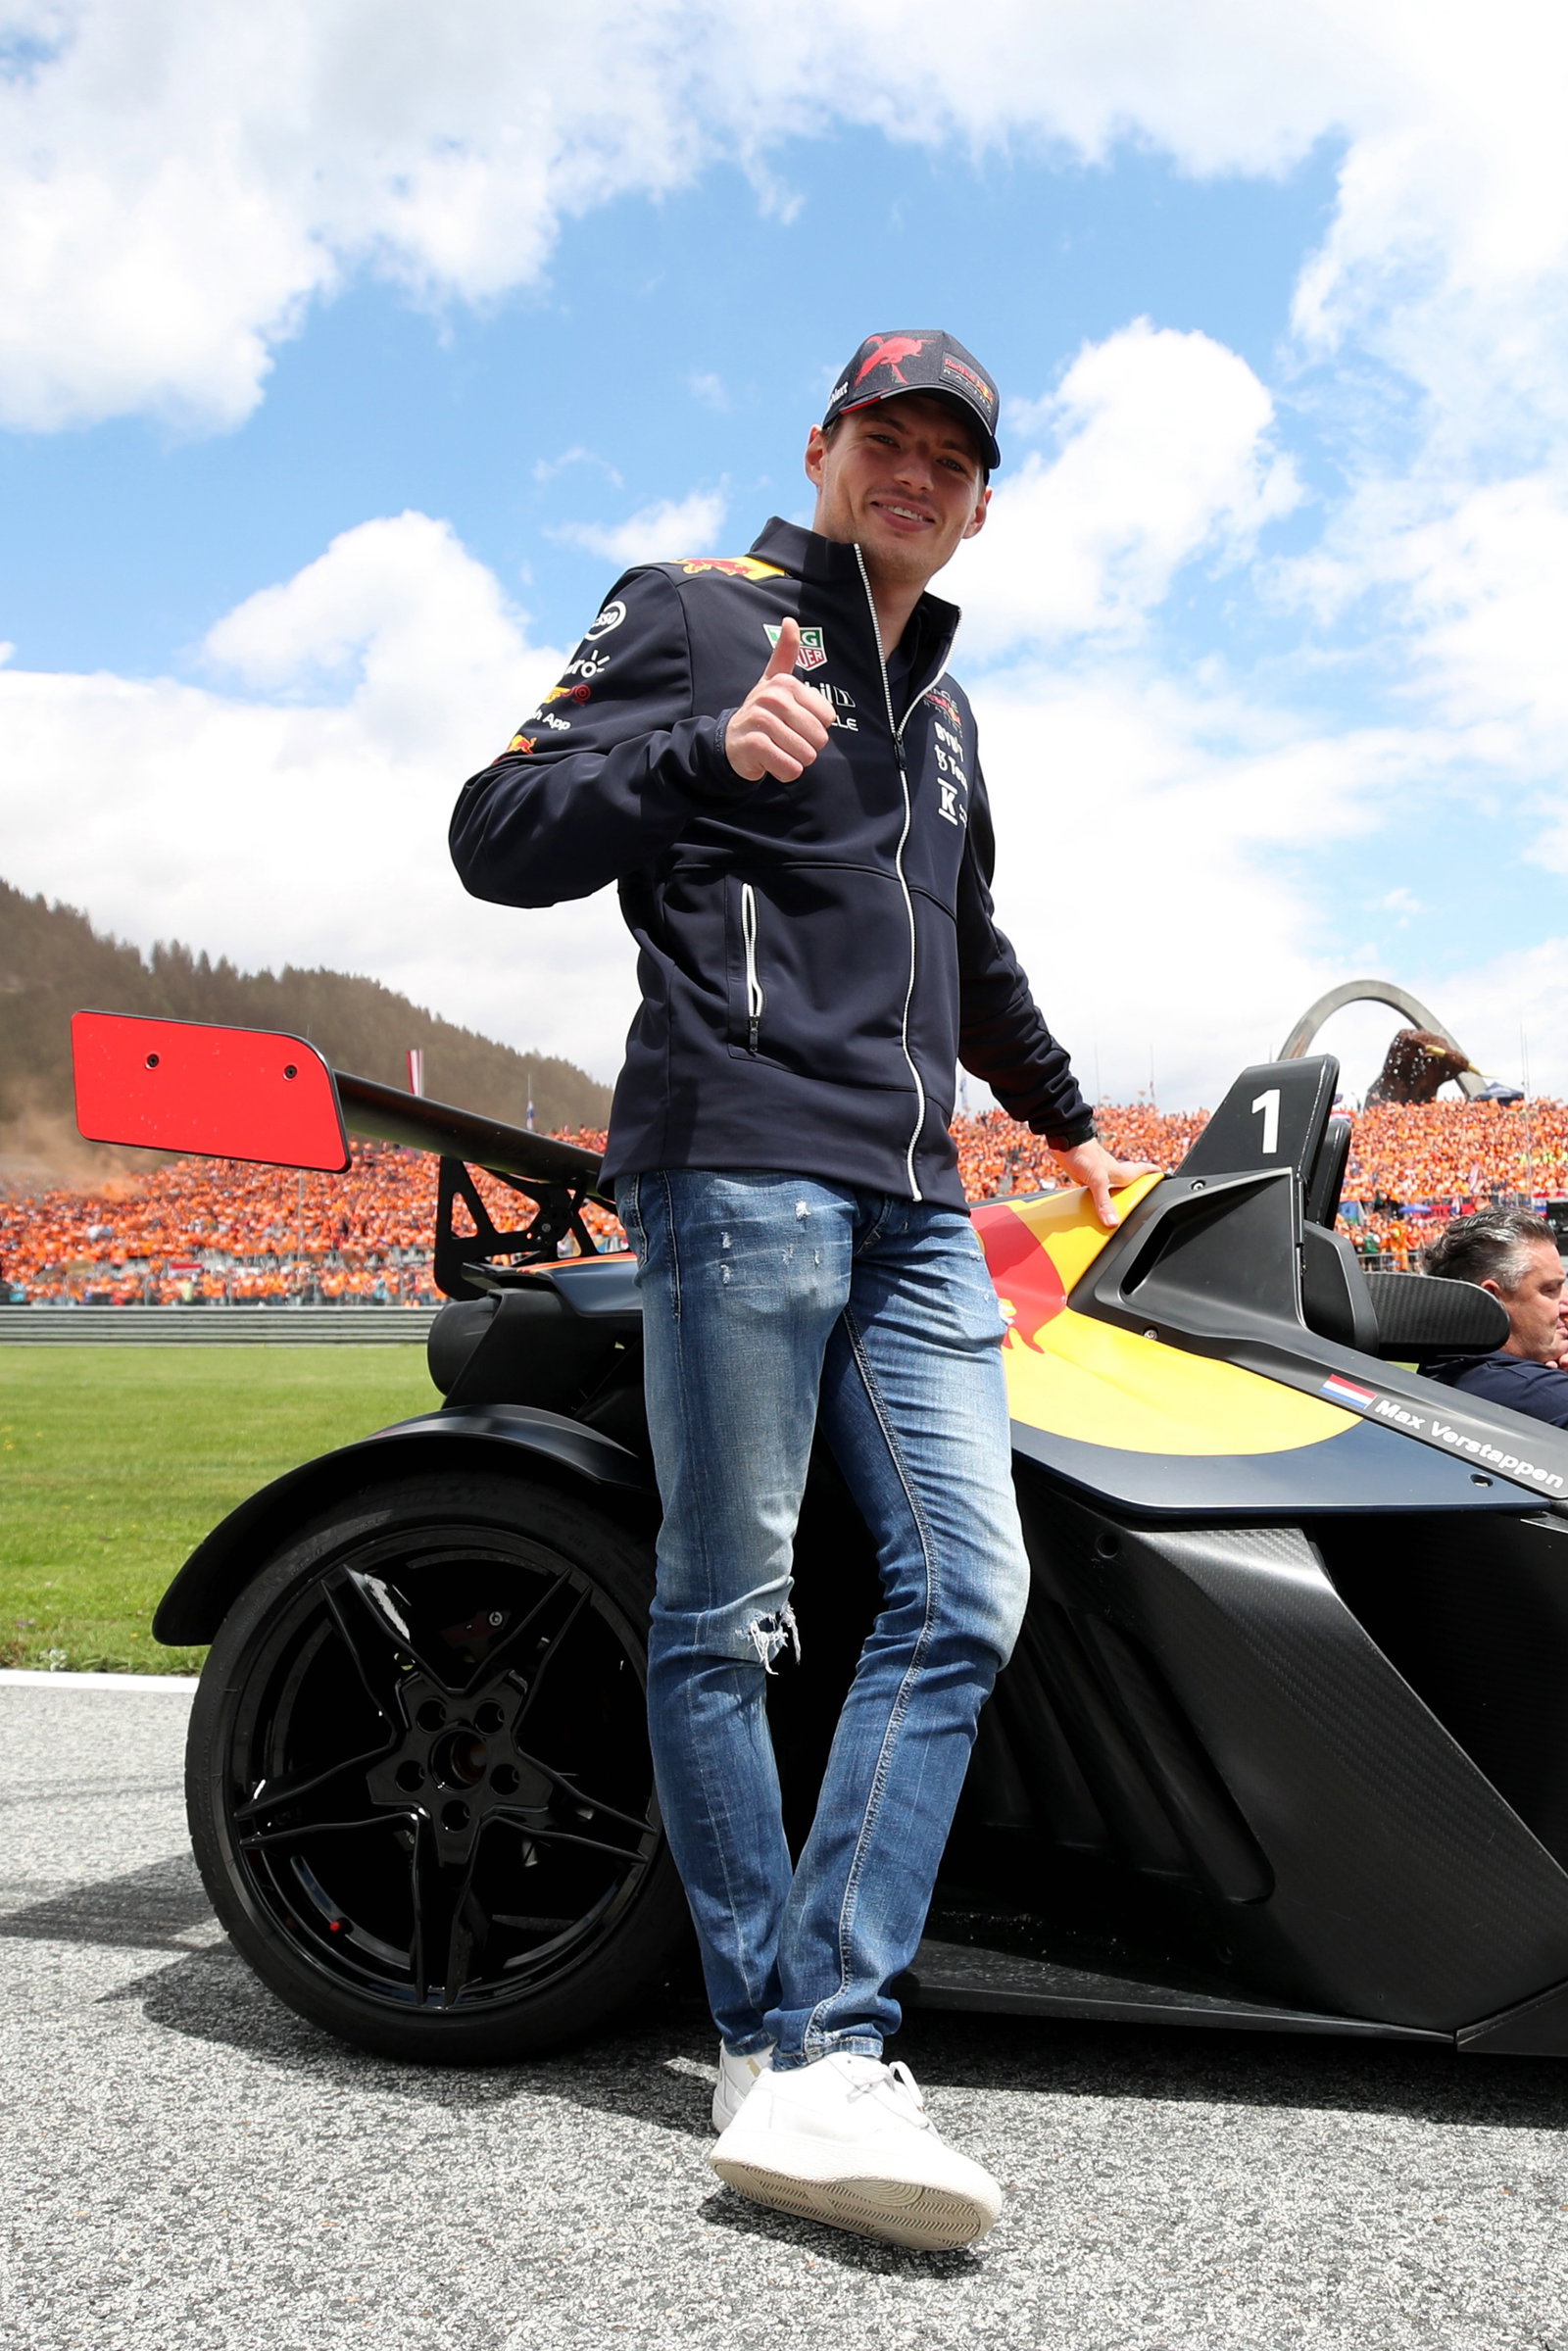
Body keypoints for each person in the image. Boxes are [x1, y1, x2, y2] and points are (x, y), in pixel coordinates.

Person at [450, 328, 1153, 2251]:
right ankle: (787, 2039)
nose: (912, 470)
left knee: (962, 1585)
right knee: (725, 1602)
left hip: (920, 1197)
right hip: (735, 1155)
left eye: (950, 453)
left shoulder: (949, 709)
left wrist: (1070, 1126)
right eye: (884, 436)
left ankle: (824, 2025)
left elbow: (965, 943)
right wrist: (693, 753)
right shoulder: (692, 610)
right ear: (822, 448)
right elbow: (492, 828)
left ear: (981, 495)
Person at [1423, 1208, 1568, 1425]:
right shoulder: (1540, 1395)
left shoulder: (1444, 1368)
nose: (1565, 1306)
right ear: (1492, 1299)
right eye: (1549, 1290)